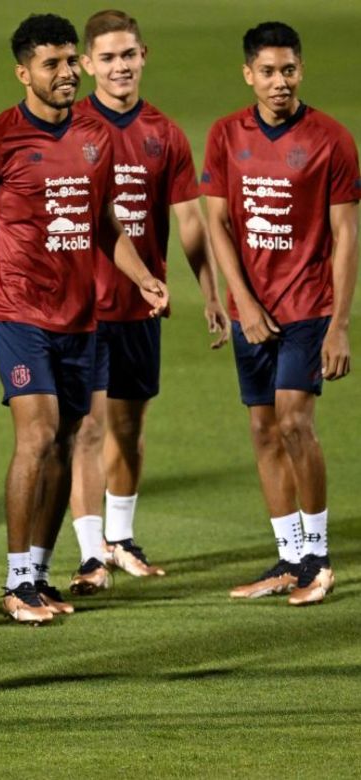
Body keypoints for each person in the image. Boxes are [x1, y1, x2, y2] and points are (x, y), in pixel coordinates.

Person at [0, 14, 168, 625]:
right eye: (51, 64)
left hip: (80, 315)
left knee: (63, 442)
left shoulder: (95, 135)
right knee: (37, 435)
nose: (64, 74)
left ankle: (37, 572)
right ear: (23, 72)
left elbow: (103, 221)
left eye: (68, 62)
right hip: (17, 311)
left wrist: (141, 277)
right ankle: (14, 582)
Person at [65, 9, 230, 595]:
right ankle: (90, 555)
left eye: (127, 55)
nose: (119, 67)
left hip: (142, 306)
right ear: (86, 65)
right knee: (87, 428)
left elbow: (189, 216)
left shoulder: (166, 134)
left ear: (144, 56)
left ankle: (122, 538)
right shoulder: (72, 129)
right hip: (80, 307)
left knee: (129, 429)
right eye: (106, 57)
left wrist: (209, 290)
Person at [202, 22, 358, 605]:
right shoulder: (224, 135)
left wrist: (340, 323)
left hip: (308, 307)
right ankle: (289, 558)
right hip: (253, 311)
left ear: (301, 70)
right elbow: (216, 222)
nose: (278, 82)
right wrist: (242, 300)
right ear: (248, 74)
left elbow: (346, 236)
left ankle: (317, 559)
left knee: (295, 421)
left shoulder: (331, 139)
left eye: (288, 70)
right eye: (267, 71)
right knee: (263, 430)